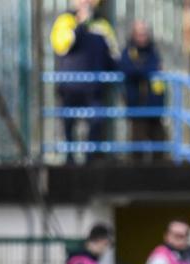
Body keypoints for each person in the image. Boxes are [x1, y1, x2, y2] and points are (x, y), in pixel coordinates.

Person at [50, 0, 118, 163]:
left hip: (94, 87)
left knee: (96, 121)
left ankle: (90, 159)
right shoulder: (64, 20)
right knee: (68, 123)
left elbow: (113, 54)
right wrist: (80, 25)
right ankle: (69, 159)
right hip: (70, 86)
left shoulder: (102, 24)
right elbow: (62, 46)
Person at [120, 20, 167, 159]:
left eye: (144, 34)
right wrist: (146, 71)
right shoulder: (128, 52)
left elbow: (155, 68)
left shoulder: (153, 51)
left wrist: (142, 69)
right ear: (133, 35)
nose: (142, 37)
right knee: (137, 148)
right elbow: (129, 69)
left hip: (154, 107)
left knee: (160, 145)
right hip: (137, 106)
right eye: (139, 34)